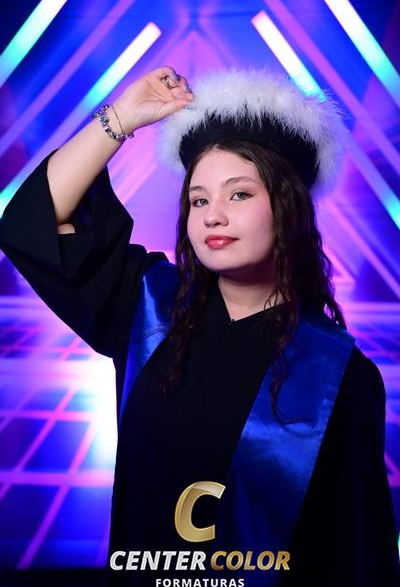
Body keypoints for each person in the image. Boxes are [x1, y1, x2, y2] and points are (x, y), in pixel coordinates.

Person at [0, 66, 399, 587]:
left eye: (239, 194)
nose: (213, 216)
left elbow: (358, 556)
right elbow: (31, 223)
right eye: (199, 199)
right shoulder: (149, 309)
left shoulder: (338, 373)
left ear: (288, 207)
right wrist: (122, 117)